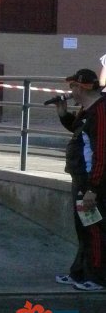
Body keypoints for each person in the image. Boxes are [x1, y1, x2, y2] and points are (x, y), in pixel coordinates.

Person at [52, 68, 106, 291]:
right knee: (84, 227)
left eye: (73, 86)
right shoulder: (88, 109)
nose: (70, 90)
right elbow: (77, 131)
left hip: (91, 183)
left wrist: (93, 188)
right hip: (81, 180)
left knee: (93, 228)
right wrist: (63, 113)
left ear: (82, 88)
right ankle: (80, 273)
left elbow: (102, 152)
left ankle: (97, 278)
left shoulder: (101, 111)